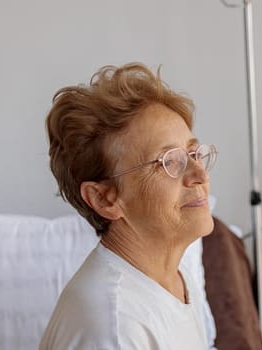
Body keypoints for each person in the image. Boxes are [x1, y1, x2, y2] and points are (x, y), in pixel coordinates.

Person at [40, 62, 218, 350]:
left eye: (193, 153)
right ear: (105, 199)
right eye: (169, 161)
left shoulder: (174, 279)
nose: (200, 175)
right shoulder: (112, 328)